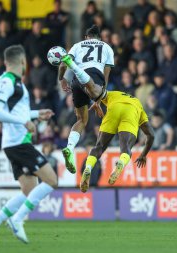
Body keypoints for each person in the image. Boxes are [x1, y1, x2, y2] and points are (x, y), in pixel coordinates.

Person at [0, 45, 56, 247]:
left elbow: (16, 111)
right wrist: (23, 122)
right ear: (23, 62)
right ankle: (17, 219)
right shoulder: (7, 81)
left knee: (29, 189)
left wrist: (36, 114)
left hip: (16, 143)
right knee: (51, 180)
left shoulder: (17, 83)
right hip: (18, 143)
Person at [58, 25, 114, 174]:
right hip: (94, 77)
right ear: (99, 38)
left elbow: (62, 64)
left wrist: (62, 79)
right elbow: (106, 74)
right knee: (99, 91)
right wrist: (99, 98)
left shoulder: (77, 46)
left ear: (86, 38)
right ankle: (77, 70)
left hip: (76, 82)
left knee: (82, 120)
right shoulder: (106, 47)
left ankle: (69, 147)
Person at [79, 90, 155, 192]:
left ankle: (88, 167)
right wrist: (143, 155)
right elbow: (151, 135)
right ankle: (120, 163)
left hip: (114, 108)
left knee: (99, 146)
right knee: (126, 147)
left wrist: (95, 103)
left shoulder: (112, 94)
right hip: (131, 111)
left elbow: (94, 91)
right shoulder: (138, 104)